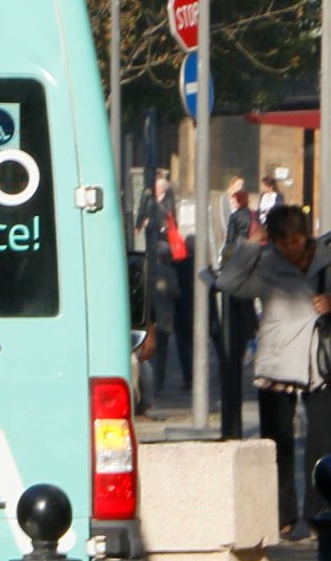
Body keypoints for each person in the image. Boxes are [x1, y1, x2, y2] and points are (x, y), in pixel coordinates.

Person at [215, 203, 331, 539]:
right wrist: (250, 244)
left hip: (321, 364)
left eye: (296, 241)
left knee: (322, 441)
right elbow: (229, 282)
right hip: (277, 364)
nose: (291, 248)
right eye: (283, 243)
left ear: (306, 236)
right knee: (277, 443)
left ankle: (318, 510)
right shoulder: (266, 263)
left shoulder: (326, 257)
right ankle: (283, 514)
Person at [139, 173, 194, 393]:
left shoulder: (155, 271)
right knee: (181, 345)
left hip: (164, 316)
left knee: (162, 347)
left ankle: (160, 380)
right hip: (177, 313)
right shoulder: (180, 268)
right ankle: (186, 377)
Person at [218, 178, 258, 439]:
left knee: (236, 307)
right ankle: (251, 334)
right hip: (249, 263)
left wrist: (225, 256)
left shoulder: (236, 217)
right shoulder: (251, 215)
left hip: (236, 263)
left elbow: (231, 241)